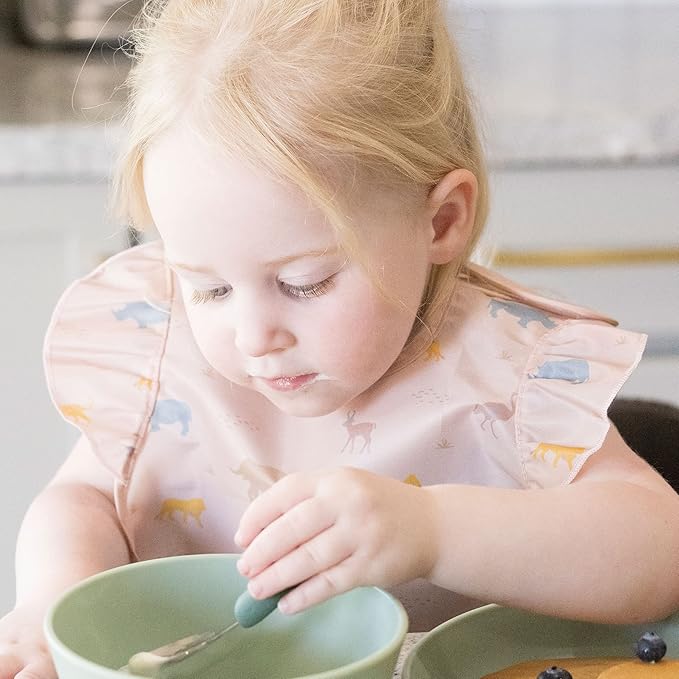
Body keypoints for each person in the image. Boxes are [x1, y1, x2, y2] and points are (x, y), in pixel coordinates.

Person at [3, 0, 679, 676]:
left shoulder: (507, 378)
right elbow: (82, 500)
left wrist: (434, 529)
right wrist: (44, 608)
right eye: (208, 287)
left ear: (440, 220)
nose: (253, 335)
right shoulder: (160, 355)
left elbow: (659, 551)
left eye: (303, 283)